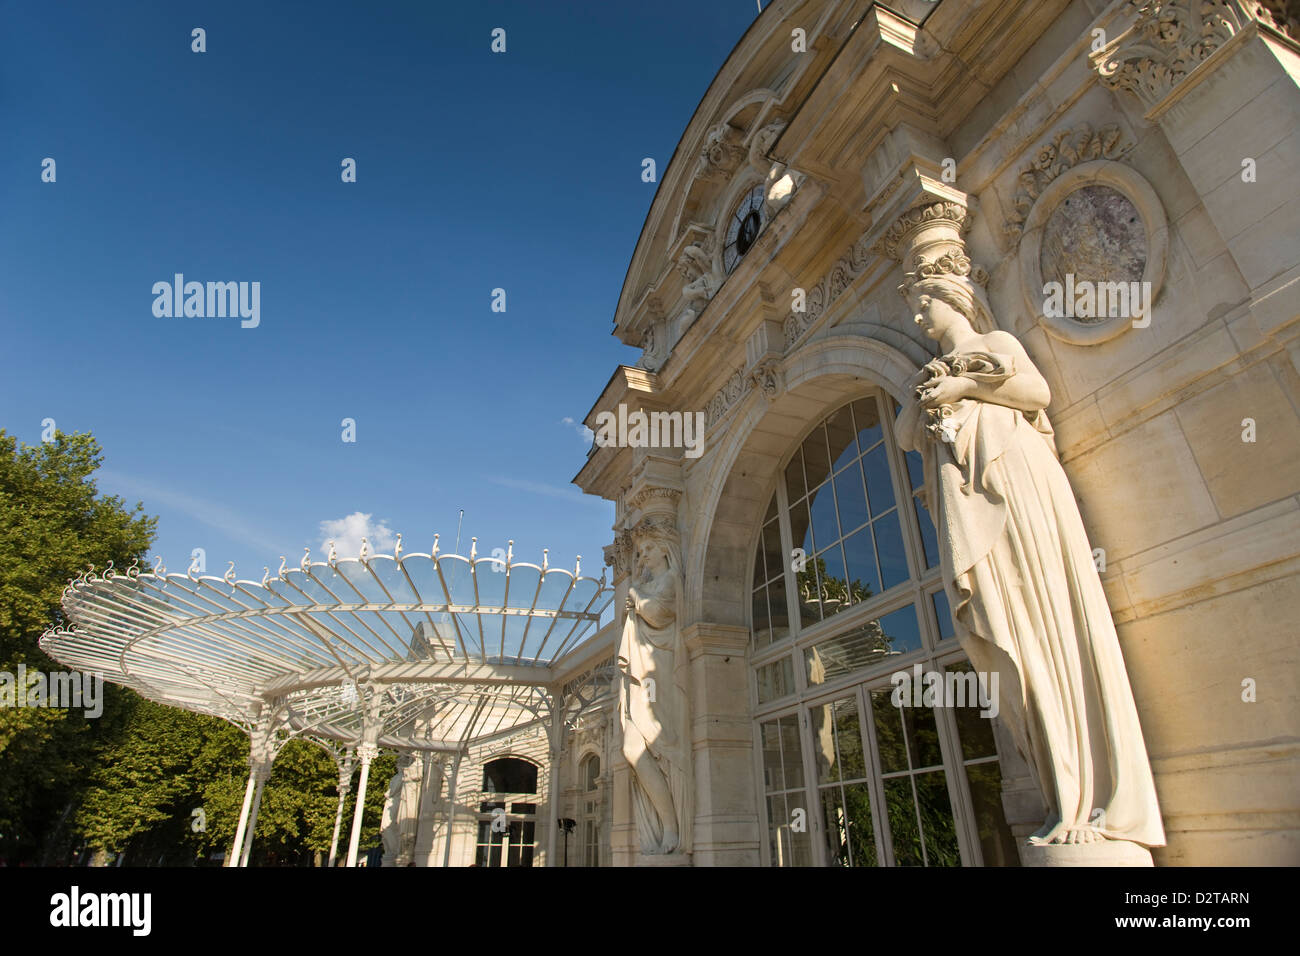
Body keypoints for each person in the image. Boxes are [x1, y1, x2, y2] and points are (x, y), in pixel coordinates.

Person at [894, 252, 1164, 848]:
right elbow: (905, 435)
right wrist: (931, 398)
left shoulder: (995, 339)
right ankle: (1061, 787)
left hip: (1012, 484)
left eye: (922, 303)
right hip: (968, 502)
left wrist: (964, 383)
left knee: (1042, 619)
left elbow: (1035, 390)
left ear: (951, 298)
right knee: (999, 629)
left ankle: (1088, 795)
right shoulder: (927, 373)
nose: (916, 315)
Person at [617, 520, 692, 855]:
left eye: (648, 549)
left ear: (665, 548)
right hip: (641, 670)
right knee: (631, 748)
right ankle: (668, 823)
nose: (643, 555)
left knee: (661, 740)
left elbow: (661, 614)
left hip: (659, 667)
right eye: (640, 550)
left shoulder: (671, 579)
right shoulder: (647, 582)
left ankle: (673, 826)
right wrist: (635, 589)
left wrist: (635, 593)